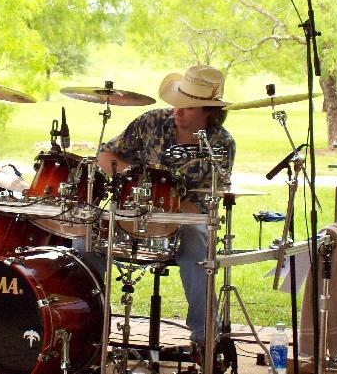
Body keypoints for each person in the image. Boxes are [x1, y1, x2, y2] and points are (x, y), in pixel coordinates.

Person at [96, 65, 236, 349]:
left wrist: (169, 207)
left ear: (209, 112)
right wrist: (133, 180)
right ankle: (89, 325)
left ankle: (204, 337)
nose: (177, 112)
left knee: (198, 244)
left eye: (187, 108)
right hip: (131, 210)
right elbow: (106, 154)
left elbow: (207, 203)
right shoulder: (151, 121)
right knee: (84, 239)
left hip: (184, 218)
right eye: (176, 105)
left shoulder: (222, 143)